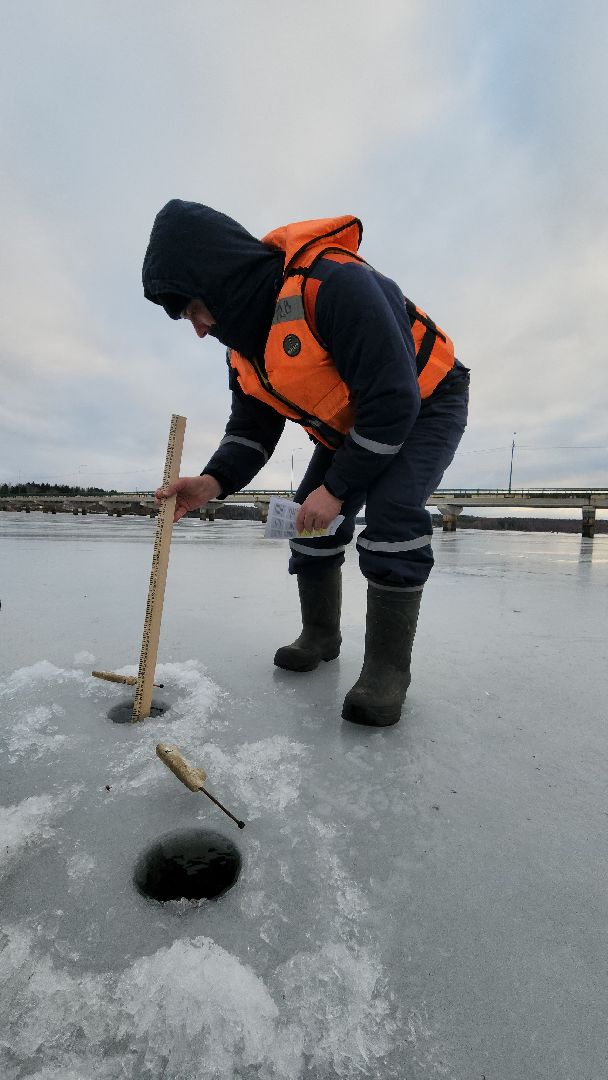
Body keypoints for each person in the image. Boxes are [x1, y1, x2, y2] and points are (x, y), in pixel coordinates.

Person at [142, 201, 469, 727]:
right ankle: (321, 634)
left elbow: (392, 400)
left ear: (219, 281)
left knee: (392, 515)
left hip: (427, 399)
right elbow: (251, 429)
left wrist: (336, 490)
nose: (199, 329)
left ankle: (387, 671)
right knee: (305, 521)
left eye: (195, 310)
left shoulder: (332, 283)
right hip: (360, 421)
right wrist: (212, 481)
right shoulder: (244, 350)